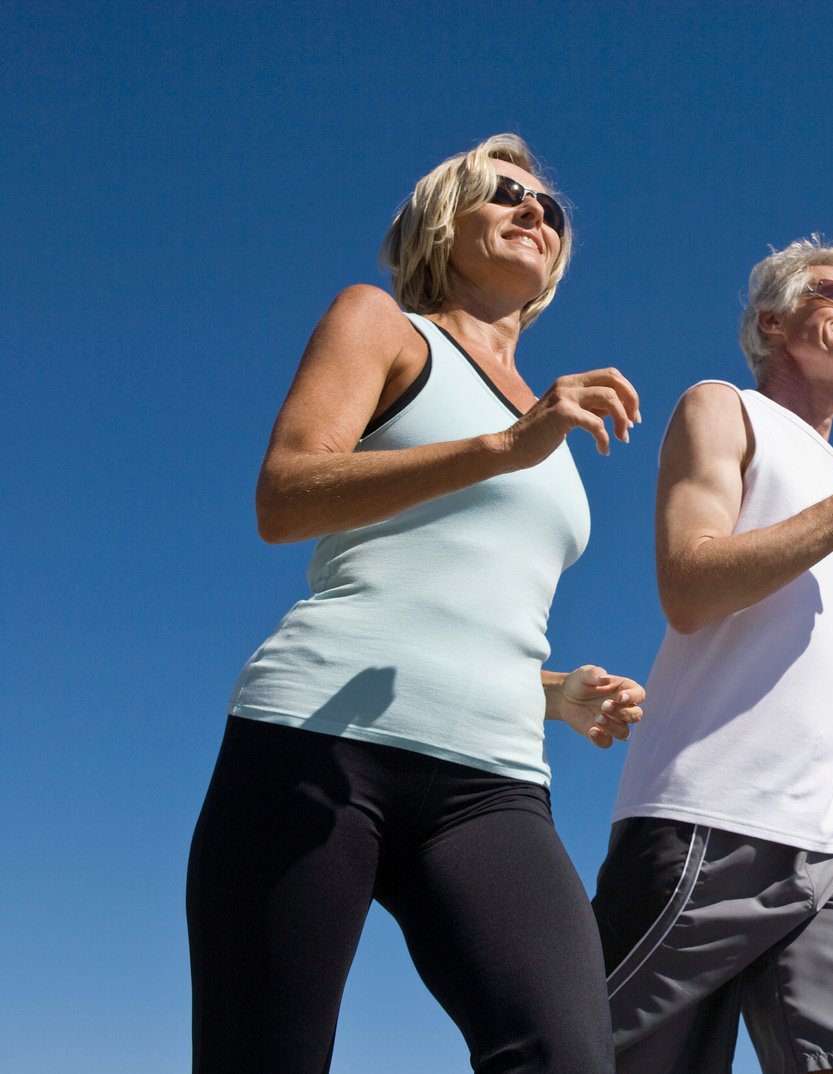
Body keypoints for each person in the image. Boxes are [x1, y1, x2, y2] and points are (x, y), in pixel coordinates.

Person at [187, 133, 645, 1074]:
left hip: (493, 781)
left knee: (569, 1055)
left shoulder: (546, 423)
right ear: (444, 221)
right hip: (316, 740)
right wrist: (499, 449)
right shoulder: (386, 326)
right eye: (503, 195)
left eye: (549, 208)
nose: (535, 212)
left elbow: (456, 589)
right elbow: (285, 497)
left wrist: (553, 691)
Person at [592, 237, 833, 1074]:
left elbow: (776, 627)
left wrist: (828, 711)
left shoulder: (831, 474)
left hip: (831, 840)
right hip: (709, 824)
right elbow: (690, 585)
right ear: (772, 322)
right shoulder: (722, 408)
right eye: (832, 293)